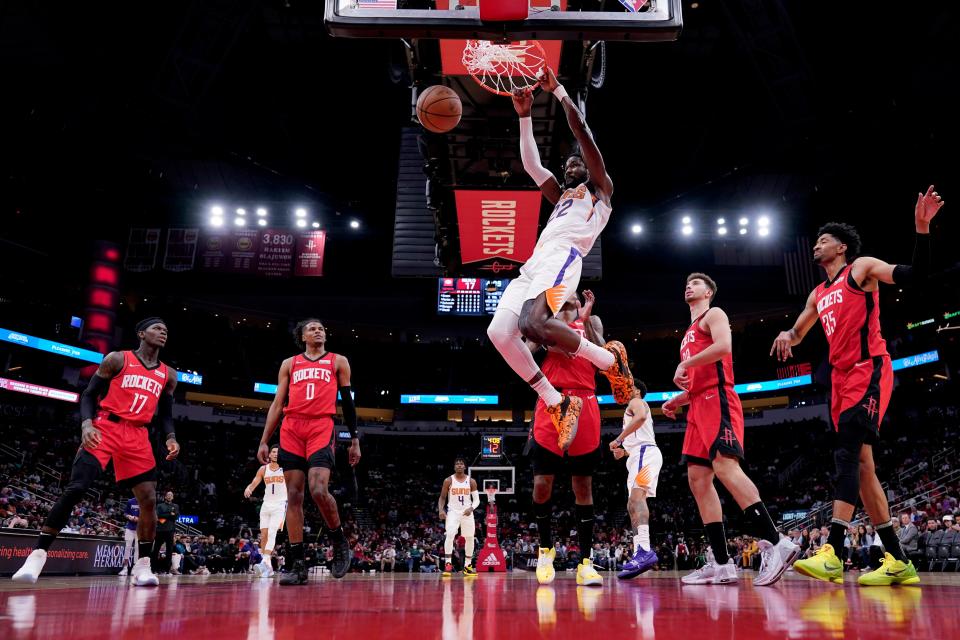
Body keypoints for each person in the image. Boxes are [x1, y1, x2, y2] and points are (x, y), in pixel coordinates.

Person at [772, 186, 944, 586]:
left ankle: (831, 552)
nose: (816, 245)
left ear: (843, 247)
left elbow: (916, 278)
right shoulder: (818, 293)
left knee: (847, 454)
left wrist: (921, 228)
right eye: (815, 240)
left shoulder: (862, 268)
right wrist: (786, 334)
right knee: (864, 467)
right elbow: (798, 333)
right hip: (839, 379)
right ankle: (899, 561)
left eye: (823, 240)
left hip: (868, 369)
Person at [486, 67, 633, 458]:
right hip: (535, 263)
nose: (571, 166)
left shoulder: (600, 191)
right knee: (500, 333)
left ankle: (607, 359)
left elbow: (582, 131)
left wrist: (559, 91)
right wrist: (523, 116)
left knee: (533, 324)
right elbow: (533, 166)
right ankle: (557, 402)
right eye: (567, 165)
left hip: (566, 256)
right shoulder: (561, 198)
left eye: (575, 163)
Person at [12, 318, 180, 586]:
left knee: (149, 499)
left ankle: (143, 566)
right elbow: (89, 394)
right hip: (106, 426)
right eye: (157, 328)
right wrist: (87, 423)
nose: (163, 331)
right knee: (77, 487)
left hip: (138, 434)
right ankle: (37, 555)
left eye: (166, 329)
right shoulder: (117, 359)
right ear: (141, 333)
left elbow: (166, 415)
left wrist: (171, 438)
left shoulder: (168, 374)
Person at [662, 274, 799, 586]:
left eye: (696, 283)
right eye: (686, 282)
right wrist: (677, 399)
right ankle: (723, 564)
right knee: (698, 479)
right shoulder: (687, 334)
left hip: (718, 398)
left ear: (708, 291)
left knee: (725, 466)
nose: (689, 285)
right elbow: (698, 377)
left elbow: (724, 348)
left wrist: (684, 366)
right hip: (698, 403)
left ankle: (778, 542)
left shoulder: (714, 314)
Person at [256, 318, 361, 585]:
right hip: (291, 428)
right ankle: (297, 563)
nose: (318, 331)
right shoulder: (290, 364)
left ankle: (338, 540)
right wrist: (264, 440)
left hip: (320, 426)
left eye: (321, 328)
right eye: (312, 328)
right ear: (302, 336)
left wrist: (355, 439)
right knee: (292, 495)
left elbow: (347, 402)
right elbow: (278, 403)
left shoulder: (338, 361)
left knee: (317, 488)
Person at [526, 290, 606, 587]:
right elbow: (527, 349)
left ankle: (586, 563)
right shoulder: (545, 319)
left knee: (582, 486)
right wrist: (549, 329)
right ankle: (546, 550)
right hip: (552, 399)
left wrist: (583, 323)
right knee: (541, 484)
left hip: (586, 402)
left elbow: (602, 357)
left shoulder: (593, 320)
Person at [610, 383, 662, 578]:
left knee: (637, 499)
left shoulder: (636, 401)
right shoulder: (631, 408)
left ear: (637, 390)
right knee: (633, 503)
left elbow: (640, 418)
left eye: (627, 386)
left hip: (645, 454)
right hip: (637, 456)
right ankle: (640, 551)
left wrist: (619, 440)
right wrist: (623, 452)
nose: (622, 389)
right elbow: (635, 441)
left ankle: (644, 551)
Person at [244, 445, 287, 578]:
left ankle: (264, 562)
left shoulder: (285, 469)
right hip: (266, 504)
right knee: (264, 535)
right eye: (273, 452)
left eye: (278, 453)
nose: (275, 454)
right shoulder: (263, 469)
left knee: (272, 532)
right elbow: (255, 481)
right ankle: (268, 567)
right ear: (269, 454)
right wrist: (249, 488)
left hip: (280, 504)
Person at [438, 457, 479, 577]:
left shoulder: (471, 481)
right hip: (453, 512)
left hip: (467, 512)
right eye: (457, 464)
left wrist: (471, 508)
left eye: (461, 464)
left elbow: (477, 500)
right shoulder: (448, 480)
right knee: (450, 534)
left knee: (470, 538)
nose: (459, 465)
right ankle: (448, 564)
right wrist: (441, 510)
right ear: (454, 467)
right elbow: (442, 498)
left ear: (465, 467)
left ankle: (467, 566)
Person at [153, 490, 179, 574]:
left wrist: (166, 515)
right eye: (168, 494)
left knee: (169, 550)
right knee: (156, 550)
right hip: (160, 530)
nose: (170, 496)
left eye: (171, 495)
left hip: (170, 530)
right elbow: (159, 515)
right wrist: (170, 515)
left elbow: (176, 517)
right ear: (165, 496)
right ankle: (154, 569)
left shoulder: (176, 506)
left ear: (173, 497)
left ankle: (167, 570)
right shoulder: (160, 505)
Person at [119, 496, 139, 576]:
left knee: (137, 548)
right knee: (127, 547)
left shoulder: (144, 502)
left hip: (140, 529)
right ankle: (125, 568)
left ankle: (135, 568)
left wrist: (139, 519)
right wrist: (128, 516)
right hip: (130, 528)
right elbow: (125, 513)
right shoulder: (130, 501)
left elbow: (147, 515)